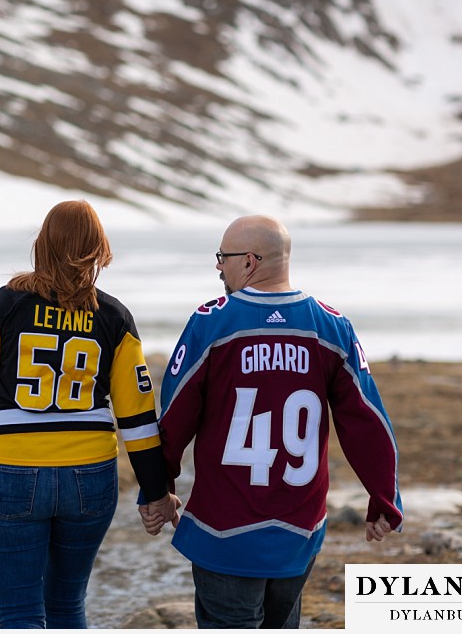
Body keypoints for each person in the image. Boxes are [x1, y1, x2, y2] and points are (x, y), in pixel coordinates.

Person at [140, 214, 403, 629]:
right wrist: (384, 497)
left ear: (248, 261)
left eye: (222, 257)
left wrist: (157, 491)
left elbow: (174, 418)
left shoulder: (212, 322)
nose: (218, 266)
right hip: (298, 534)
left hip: (224, 532)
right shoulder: (331, 326)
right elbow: (367, 419)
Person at [0, 199, 179, 629]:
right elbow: (138, 421)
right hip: (89, 477)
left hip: (11, 471)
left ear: (42, 244)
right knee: (68, 607)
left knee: (19, 614)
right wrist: (155, 491)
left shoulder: (5, 305)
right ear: (98, 249)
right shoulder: (115, 317)